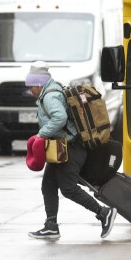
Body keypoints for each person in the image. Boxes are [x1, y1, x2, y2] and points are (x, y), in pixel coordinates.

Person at [25, 61, 117, 240]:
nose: (30, 90)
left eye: (31, 86)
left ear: (38, 83)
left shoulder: (50, 96)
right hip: (61, 148)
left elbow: (60, 118)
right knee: (48, 185)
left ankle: (104, 212)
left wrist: (40, 135)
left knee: (68, 188)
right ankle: (51, 225)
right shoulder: (52, 89)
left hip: (71, 148)